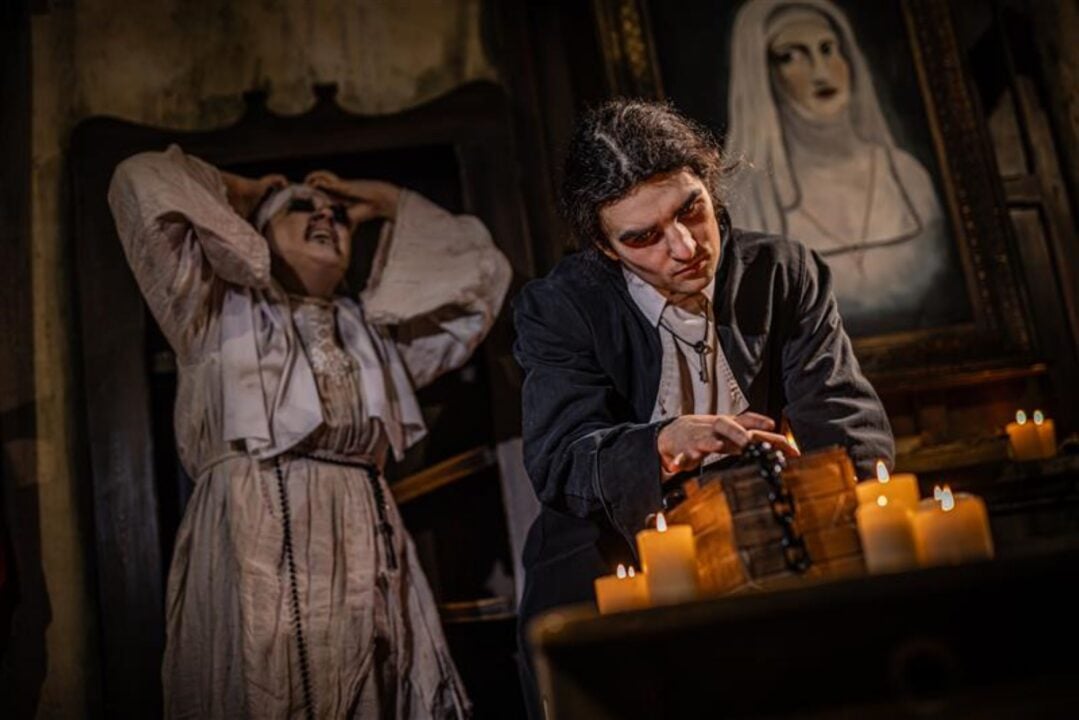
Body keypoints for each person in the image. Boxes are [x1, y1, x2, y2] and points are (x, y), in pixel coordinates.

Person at [512, 100, 893, 715]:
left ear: (708, 182)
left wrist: (831, 494)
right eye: (643, 237)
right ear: (606, 250)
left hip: (764, 531)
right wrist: (666, 441)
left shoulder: (781, 273)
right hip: (612, 553)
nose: (685, 245)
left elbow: (846, 420)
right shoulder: (561, 307)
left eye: (690, 208)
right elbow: (562, 462)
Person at [108, 145, 512, 718]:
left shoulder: (377, 339)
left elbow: (483, 275)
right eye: (301, 207)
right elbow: (138, 178)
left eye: (337, 214)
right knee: (265, 679)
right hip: (256, 544)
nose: (326, 217)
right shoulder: (211, 313)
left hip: (364, 548)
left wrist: (382, 200)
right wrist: (243, 191)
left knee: (373, 686)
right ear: (253, 232)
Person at [726, 0, 950, 336]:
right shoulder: (748, 198)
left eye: (828, 49)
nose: (821, 71)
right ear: (763, 76)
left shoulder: (906, 176)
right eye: (791, 56)